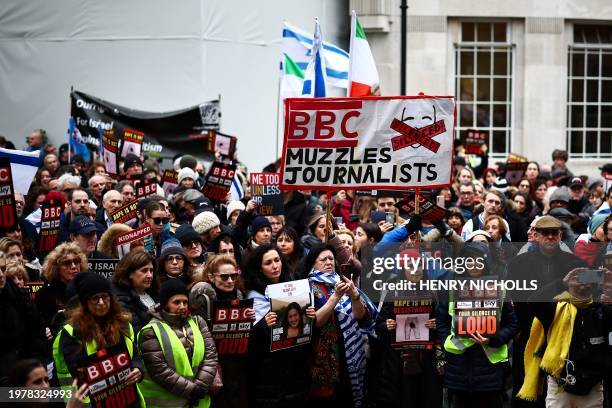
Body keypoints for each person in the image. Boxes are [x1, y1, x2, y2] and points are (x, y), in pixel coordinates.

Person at [437, 242, 518, 408]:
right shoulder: (452, 289)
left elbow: (512, 324)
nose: (474, 265)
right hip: (458, 367)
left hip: (490, 368)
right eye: (469, 261)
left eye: (478, 261)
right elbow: (442, 321)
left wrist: (493, 339)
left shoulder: (499, 289)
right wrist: (447, 341)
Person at [53, 272, 144, 405]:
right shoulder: (73, 332)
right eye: (95, 298)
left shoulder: (123, 323)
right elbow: (77, 373)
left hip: (128, 400)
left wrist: (138, 369)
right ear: (85, 302)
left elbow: (134, 355)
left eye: (105, 297)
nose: (101, 303)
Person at [305, 244, 378, 408]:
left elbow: (361, 316)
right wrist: (336, 296)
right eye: (323, 259)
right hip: (328, 356)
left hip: (351, 350)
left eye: (331, 258)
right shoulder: (309, 287)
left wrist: (354, 295)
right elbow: (314, 323)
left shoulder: (341, 280)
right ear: (313, 263)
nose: (329, 262)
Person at [244, 244, 314, 408]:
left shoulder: (293, 286)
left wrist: (310, 317)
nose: (275, 266)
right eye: (268, 263)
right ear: (260, 269)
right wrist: (263, 326)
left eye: (277, 260)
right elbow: (252, 344)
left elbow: (305, 333)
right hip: (269, 377)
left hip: (296, 371)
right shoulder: (253, 295)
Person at [138, 279, 218, 408]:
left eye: (185, 302)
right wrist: (191, 390)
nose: (182, 306)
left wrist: (200, 387)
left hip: (198, 400)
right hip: (168, 403)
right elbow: (160, 370)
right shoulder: (151, 331)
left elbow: (211, 356)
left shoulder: (198, 322)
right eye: (176, 302)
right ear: (165, 304)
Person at [189, 255, 254, 408]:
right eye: (224, 277)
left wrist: (250, 320)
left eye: (233, 276)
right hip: (214, 364)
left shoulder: (239, 295)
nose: (230, 280)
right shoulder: (203, 298)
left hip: (237, 363)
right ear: (211, 277)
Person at [36, 243, 87, 330]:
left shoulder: (86, 288)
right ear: (56, 267)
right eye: (67, 263)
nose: (74, 266)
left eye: (76, 261)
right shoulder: (46, 293)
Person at [112, 250, 159, 333]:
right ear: (130, 273)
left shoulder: (155, 293)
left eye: (151, 270)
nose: (150, 275)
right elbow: (136, 332)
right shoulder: (122, 300)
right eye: (144, 271)